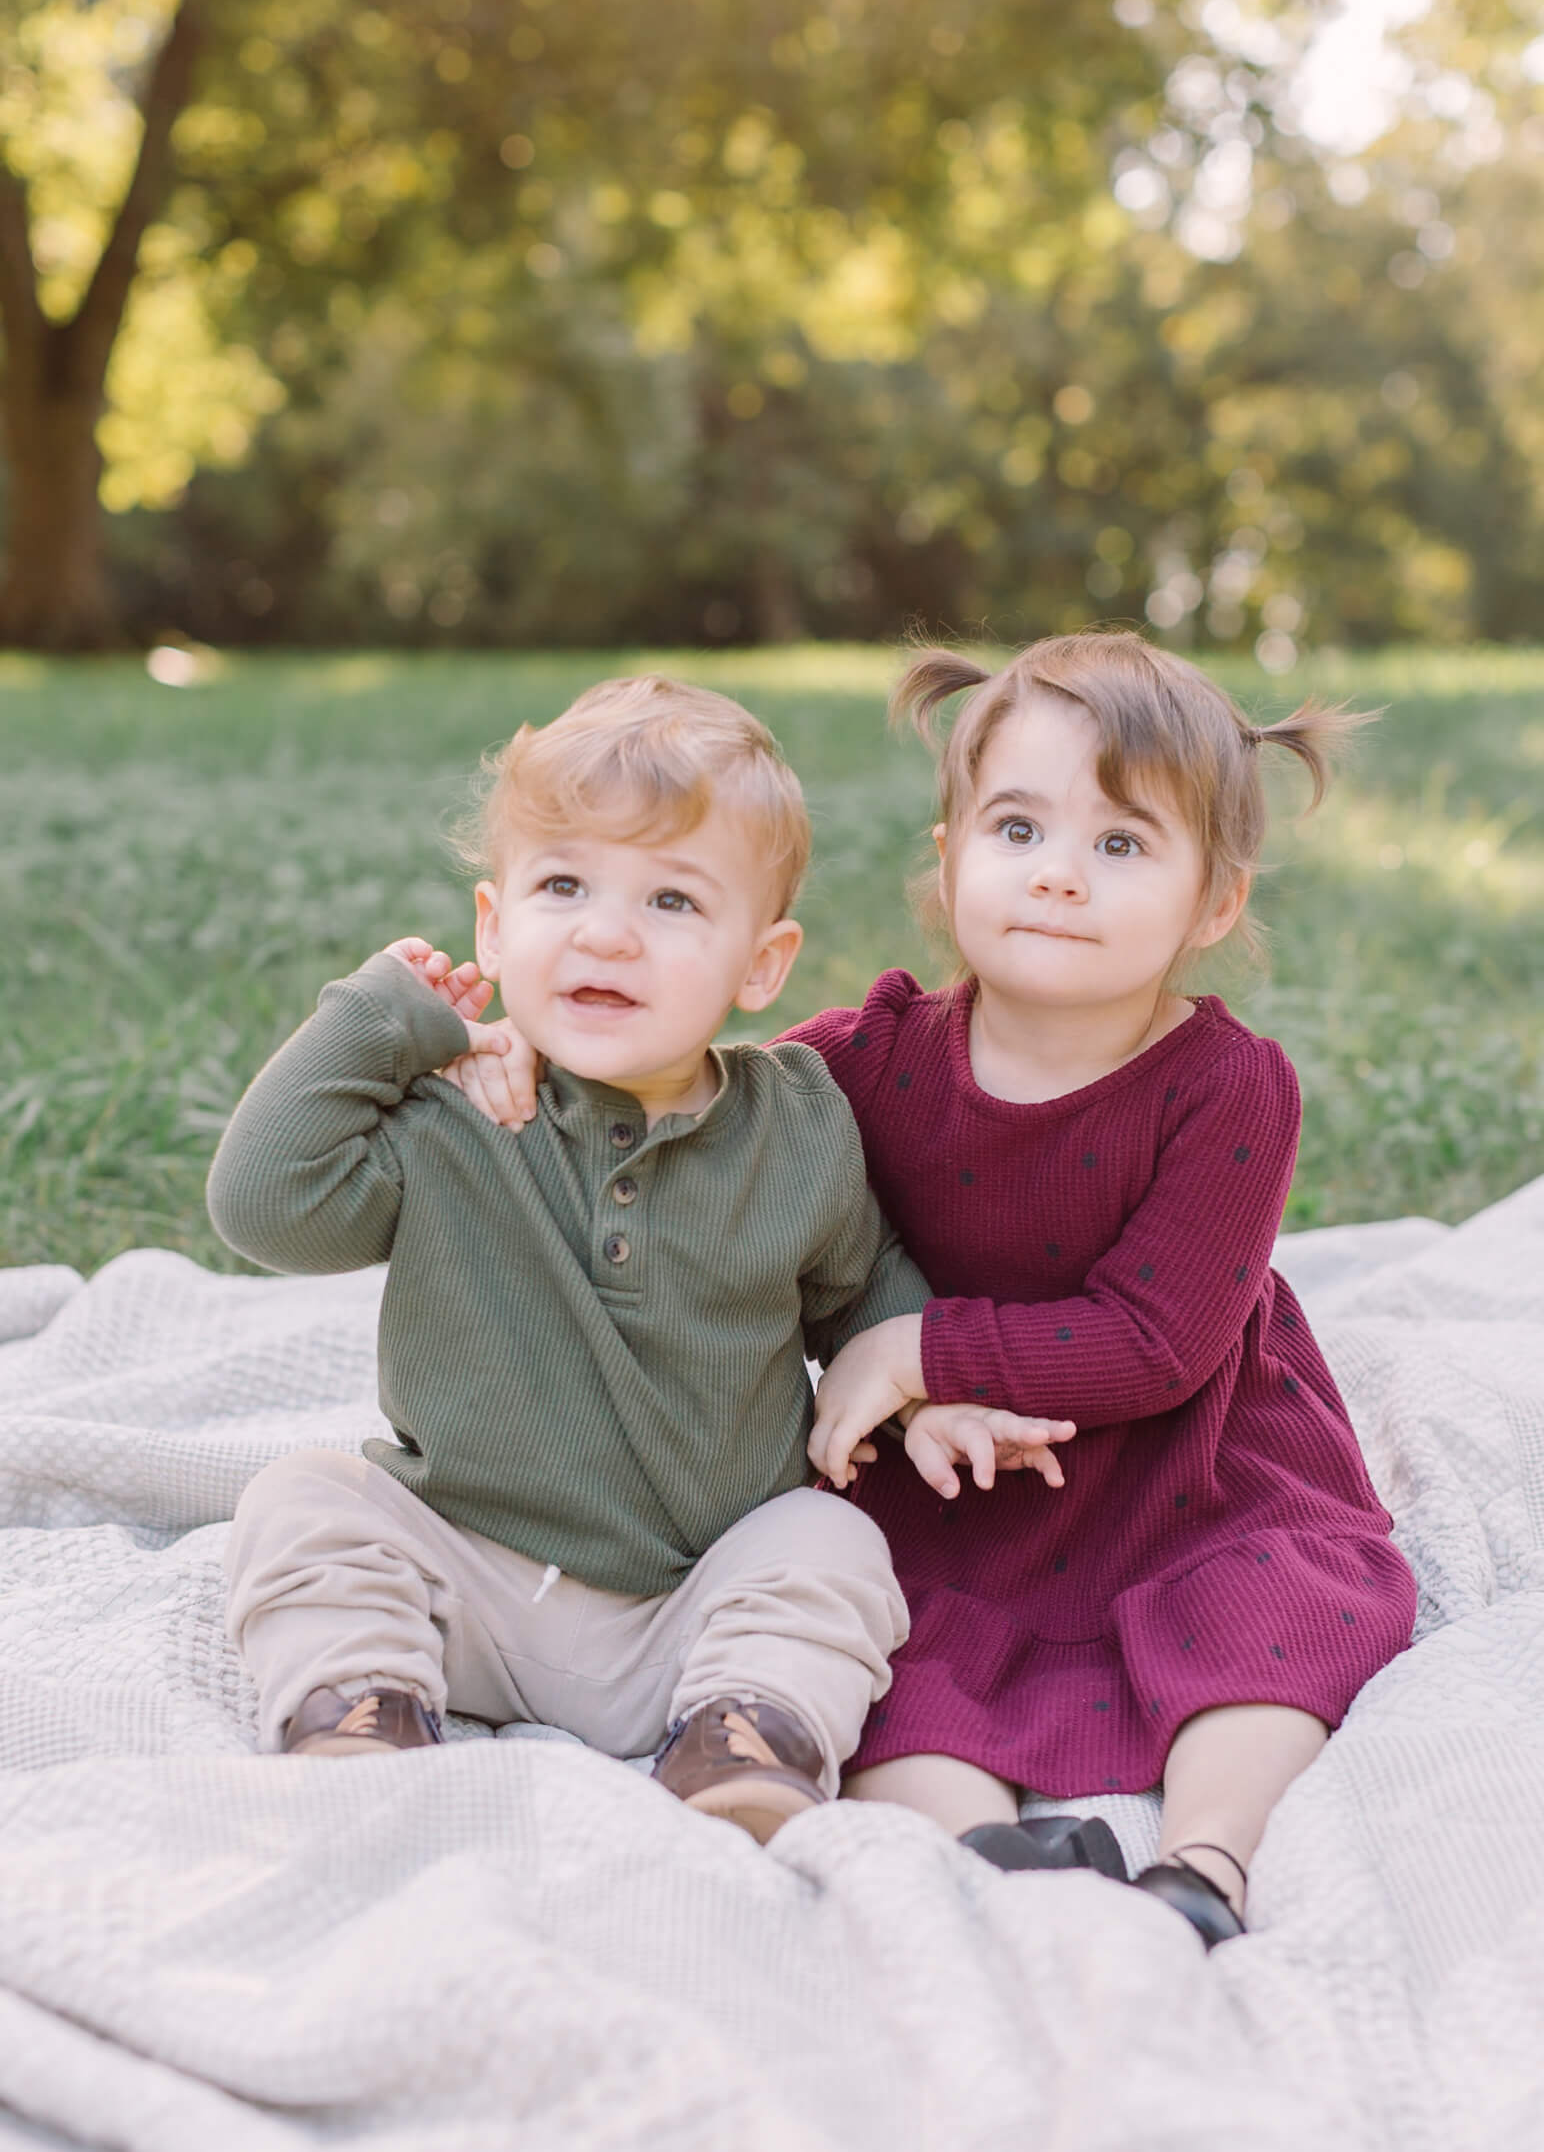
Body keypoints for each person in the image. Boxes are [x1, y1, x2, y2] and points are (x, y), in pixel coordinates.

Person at [210, 676, 1069, 1845]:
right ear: (494, 924)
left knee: (830, 1545)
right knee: (302, 1499)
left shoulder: (798, 1122)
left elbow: (863, 1280)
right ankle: (359, 1707)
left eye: (671, 898)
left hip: (693, 1603)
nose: (606, 930)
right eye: (562, 884)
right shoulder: (452, 1118)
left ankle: (744, 1736)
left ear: (758, 966)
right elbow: (262, 1206)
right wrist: (385, 1018)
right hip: (461, 1570)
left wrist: (923, 1393)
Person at [786, 630, 1418, 1943]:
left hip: (1187, 1462)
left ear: (1216, 901)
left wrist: (912, 1353)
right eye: (1018, 825)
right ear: (950, 849)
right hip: (960, 1486)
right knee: (888, 1653)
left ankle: (1206, 1859)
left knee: (1281, 1604)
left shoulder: (1228, 1085)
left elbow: (1157, 1338)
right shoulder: (864, 1059)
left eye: (1123, 844)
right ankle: (994, 1859)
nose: (1061, 873)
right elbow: (706, 1127)